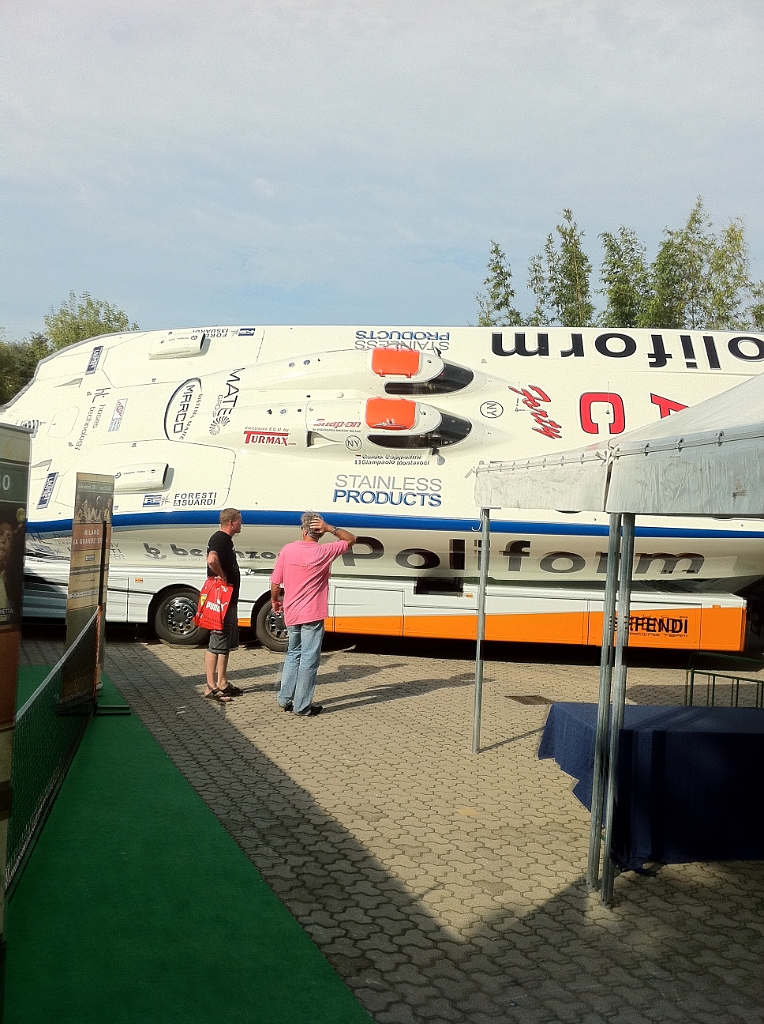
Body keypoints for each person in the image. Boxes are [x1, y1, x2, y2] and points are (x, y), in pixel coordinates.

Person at [270, 512, 356, 717]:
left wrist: (275, 600)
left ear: (303, 530)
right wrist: (330, 528)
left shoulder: (288, 550)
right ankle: (302, 706)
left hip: (292, 611)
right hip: (312, 614)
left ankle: (284, 698)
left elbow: (275, 582)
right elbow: (351, 539)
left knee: (293, 654)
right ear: (320, 533)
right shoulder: (325, 551)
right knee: (309, 659)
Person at [204, 507, 244, 703]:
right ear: (231, 523)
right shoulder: (219, 539)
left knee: (225, 642)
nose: (241, 524)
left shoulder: (226, 540)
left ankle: (222, 682)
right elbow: (212, 560)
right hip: (221, 600)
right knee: (217, 639)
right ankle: (211, 686)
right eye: (240, 521)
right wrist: (223, 576)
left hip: (228, 600)